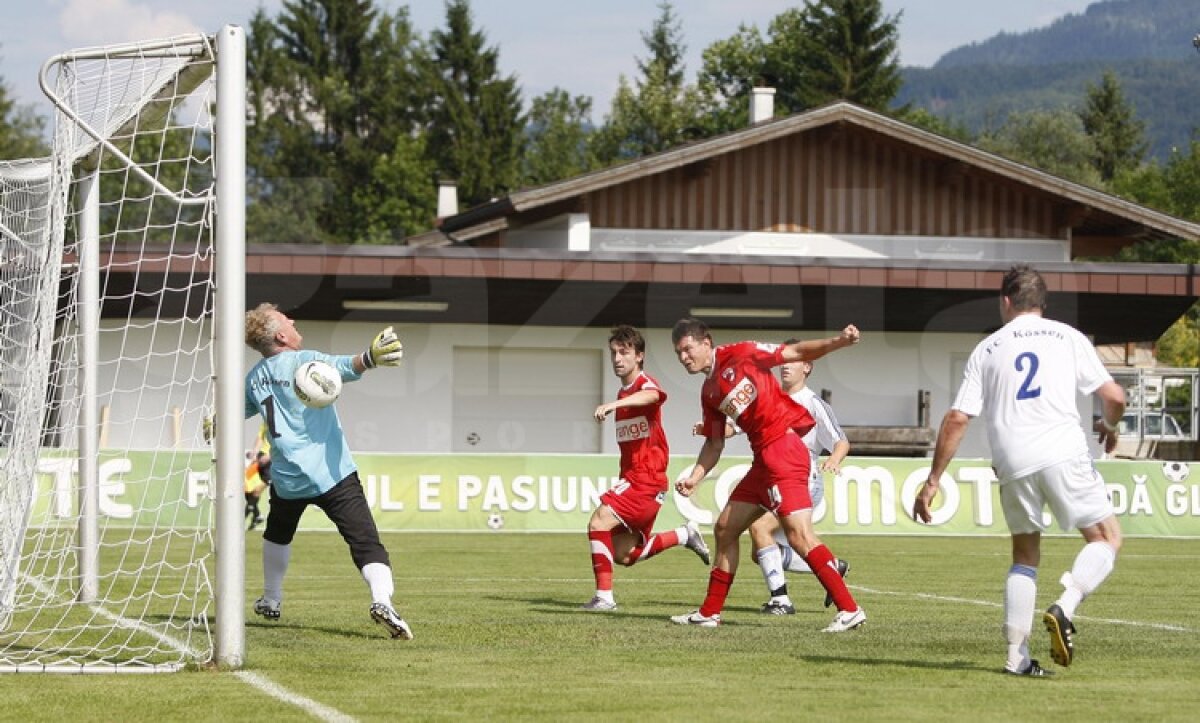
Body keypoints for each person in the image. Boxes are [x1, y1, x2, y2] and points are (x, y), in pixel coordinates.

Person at [912, 265, 1126, 677]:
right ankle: (1065, 605)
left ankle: (1016, 658)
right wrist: (1110, 424)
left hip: (1012, 459)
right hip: (1062, 451)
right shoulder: (1068, 336)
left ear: (1005, 302)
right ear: (1042, 305)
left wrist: (934, 479)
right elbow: (1114, 395)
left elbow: (958, 417)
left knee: (1025, 556)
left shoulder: (988, 348)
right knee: (1106, 537)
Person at [670, 318, 866, 632]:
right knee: (725, 528)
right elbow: (715, 441)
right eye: (678, 353)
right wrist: (696, 476)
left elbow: (796, 351)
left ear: (706, 343)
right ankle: (709, 613)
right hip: (763, 459)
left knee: (799, 536)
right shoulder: (709, 391)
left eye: (688, 349)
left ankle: (849, 609)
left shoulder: (742, 353)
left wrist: (838, 342)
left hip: (785, 450)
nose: (683, 358)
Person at [243, 302, 413, 640]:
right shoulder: (302, 361)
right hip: (331, 474)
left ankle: (272, 599)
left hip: (288, 479)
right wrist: (370, 356)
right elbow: (342, 368)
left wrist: (213, 420)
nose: (292, 320)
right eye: (286, 320)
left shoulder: (254, 379)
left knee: (277, 533)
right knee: (366, 543)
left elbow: (235, 411)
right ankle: (382, 601)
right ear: (281, 335)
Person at [583, 325, 711, 611]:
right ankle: (683, 535)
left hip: (646, 478)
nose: (617, 358)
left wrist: (614, 404)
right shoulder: (625, 390)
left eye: (624, 353)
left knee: (598, 522)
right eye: (614, 353)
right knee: (624, 554)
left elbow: (654, 395)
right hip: (636, 479)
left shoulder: (643, 384)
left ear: (639, 356)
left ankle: (604, 598)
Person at [747, 349, 851, 615]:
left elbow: (841, 441)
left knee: (760, 528)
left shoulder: (813, 402)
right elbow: (738, 425)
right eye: (783, 360)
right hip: (775, 480)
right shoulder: (770, 398)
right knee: (761, 550)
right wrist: (712, 428)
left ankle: (780, 601)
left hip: (803, 480)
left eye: (793, 361)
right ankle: (833, 566)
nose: (785, 365)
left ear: (807, 367)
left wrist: (834, 460)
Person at [244, 422, 272, 531]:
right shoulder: (266, 419)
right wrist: (255, 452)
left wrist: (270, 455)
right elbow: (260, 436)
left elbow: (284, 442)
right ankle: (257, 515)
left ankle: (241, 520)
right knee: (247, 489)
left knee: (256, 491)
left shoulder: (283, 420)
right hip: (260, 457)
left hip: (272, 460)